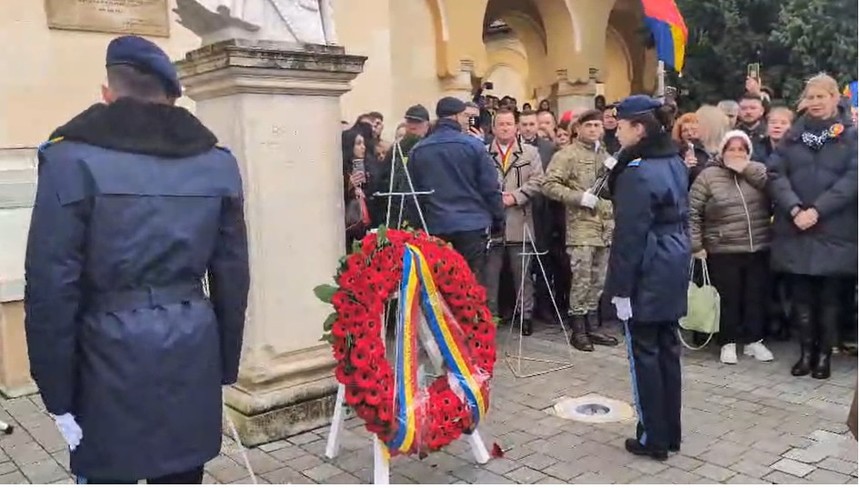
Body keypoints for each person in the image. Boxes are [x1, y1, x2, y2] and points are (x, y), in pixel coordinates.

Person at [24, 35, 249, 484]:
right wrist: (223, 365)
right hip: (191, 343)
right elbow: (233, 276)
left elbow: (51, 286)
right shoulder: (217, 163)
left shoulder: (69, 159)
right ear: (171, 98)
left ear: (108, 94)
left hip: (104, 353)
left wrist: (56, 392)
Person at [604, 95, 690, 460]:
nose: (617, 131)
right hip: (673, 256)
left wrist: (621, 289)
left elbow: (630, 235)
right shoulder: (671, 159)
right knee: (667, 348)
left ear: (638, 128)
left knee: (645, 353)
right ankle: (670, 431)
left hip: (650, 262)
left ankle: (652, 436)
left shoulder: (637, 170)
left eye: (621, 125)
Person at [766, 73, 858, 380]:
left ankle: (823, 357)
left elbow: (852, 180)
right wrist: (794, 208)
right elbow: (776, 174)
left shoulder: (851, 136)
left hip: (834, 229)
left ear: (835, 98)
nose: (816, 102)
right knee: (801, 297)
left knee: (830, 300)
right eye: (811, 97)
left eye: (822, 96)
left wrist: (817, 210)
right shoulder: (792, 137)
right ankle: (805, 352)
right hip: (795, 228)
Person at [689, 130, 774, 364]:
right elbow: (693, 212)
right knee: (728, 297)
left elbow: (774, 192)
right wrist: (696, 245)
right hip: (722, 247)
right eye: (731, 149)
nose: (736, 154)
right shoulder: (708, 176)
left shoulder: (757, 172)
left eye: (741, 149)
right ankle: (727, 341)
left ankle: (753, 340)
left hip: (757, 245)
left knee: (755, 296)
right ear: (722, 151)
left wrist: (747, 169)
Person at [542, 110, 618, 351]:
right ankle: (578, 329)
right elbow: (549, 185)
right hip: (581, 225)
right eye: (589, 125)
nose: (594, 129)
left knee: (599, 279)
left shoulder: (605, 155)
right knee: (581, 278)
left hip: (605, 225)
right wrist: (578, 197)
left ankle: (592, 326)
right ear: (578, 128)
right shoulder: (567, 155)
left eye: (597, 125)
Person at [409, 96, 504, 276]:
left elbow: (414, 195)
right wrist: (498, 219)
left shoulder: (419, 150)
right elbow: (490, 187)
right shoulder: (474, 146)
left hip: (436, 226)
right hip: (472, 225)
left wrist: (419, 227)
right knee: (471, 285)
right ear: (458, 116)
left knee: (441, 286)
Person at [483, 109, 545, 335]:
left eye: (509, 124)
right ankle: (490, 316)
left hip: (521, 220)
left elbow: (538, 181)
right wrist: (494, 198)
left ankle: (525, 315)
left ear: (516, 127)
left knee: (523, 274)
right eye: (501, 124)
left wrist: (515, 197)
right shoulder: (483, 153)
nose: (505, 128)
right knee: (490, 276)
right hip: (493, 224)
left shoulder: (530, 153)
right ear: (493, 128)